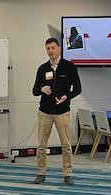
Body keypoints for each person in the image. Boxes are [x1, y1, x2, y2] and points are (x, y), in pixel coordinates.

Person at [32, 38, 82, 185]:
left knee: (66, 145)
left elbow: (78, 89)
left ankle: (68, 173)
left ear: (59, 48)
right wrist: (41, 89)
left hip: (62, 112)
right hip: (45, 112)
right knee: (41, 145)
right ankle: (40, 173)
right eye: (48, 48)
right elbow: (34, 90)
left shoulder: (69, 67)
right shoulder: (42, 69)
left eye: (53, 48)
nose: (50, 51)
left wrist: (68, 97)